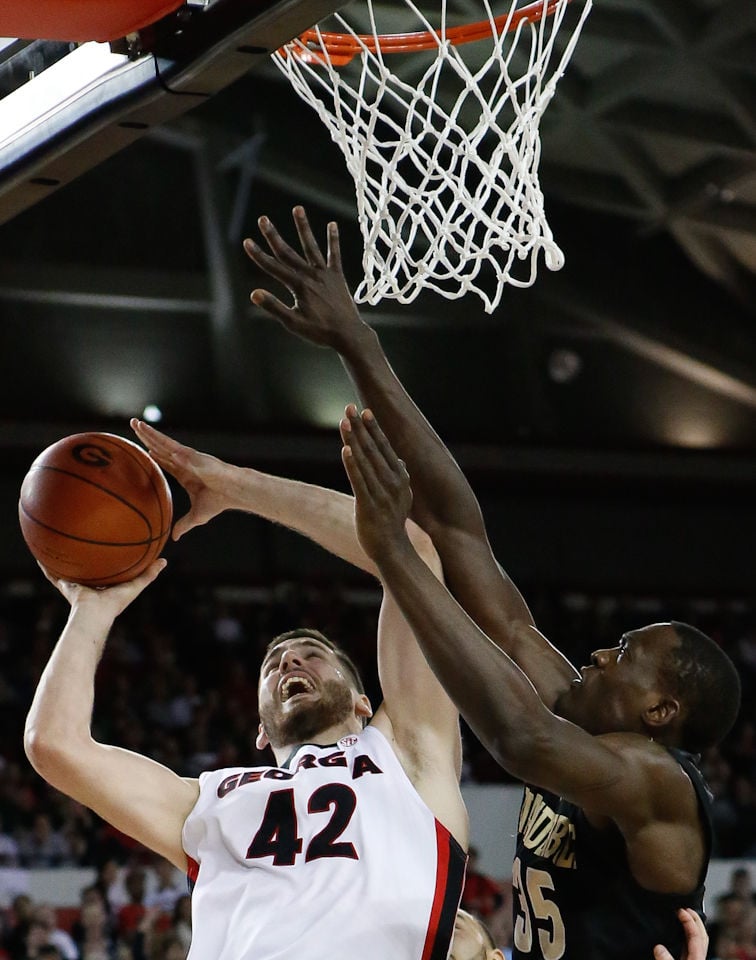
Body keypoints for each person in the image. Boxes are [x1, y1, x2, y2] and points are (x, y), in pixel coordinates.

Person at [241, 205, 741, 960]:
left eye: (624, 655)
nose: (600, 656)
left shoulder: (658, 785)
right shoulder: (575, 708)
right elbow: (456, 526)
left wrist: (395, 560)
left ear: (661, 708)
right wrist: (358, 340)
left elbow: (518, 738)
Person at [24, 432, 468, 959]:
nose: (289, 661)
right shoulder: (209, 800)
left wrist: (237, 488)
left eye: (311, 652)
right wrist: (91, 611)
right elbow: (55, 744)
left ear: (362, 702)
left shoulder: (409, 756)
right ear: (259, 728)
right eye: (273, 664)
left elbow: (411, 554)